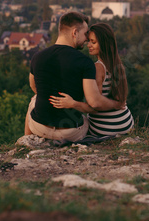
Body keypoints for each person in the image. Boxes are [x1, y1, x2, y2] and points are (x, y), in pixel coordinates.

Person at [25, 12, 123, 142]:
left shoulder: (37, 56)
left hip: (40, 128)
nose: (87, 39)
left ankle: (26, 141)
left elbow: (33, 85)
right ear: (75, 32)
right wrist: (116, 104)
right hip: (70, 133)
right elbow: (94, 102)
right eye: (85, 34)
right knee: (86, 118)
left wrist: (47, 97)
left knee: (34, 100)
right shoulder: (85, 62)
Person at [50, 22, 134, 136]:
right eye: (88, 41)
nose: (88, 45)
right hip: (126, 124)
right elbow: (120, 100)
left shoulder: (98, 68)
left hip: (105, 129)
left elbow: (94, 106)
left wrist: (72, 103)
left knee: (75, 124)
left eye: (93, 42)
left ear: (104, 44)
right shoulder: (118, 65)